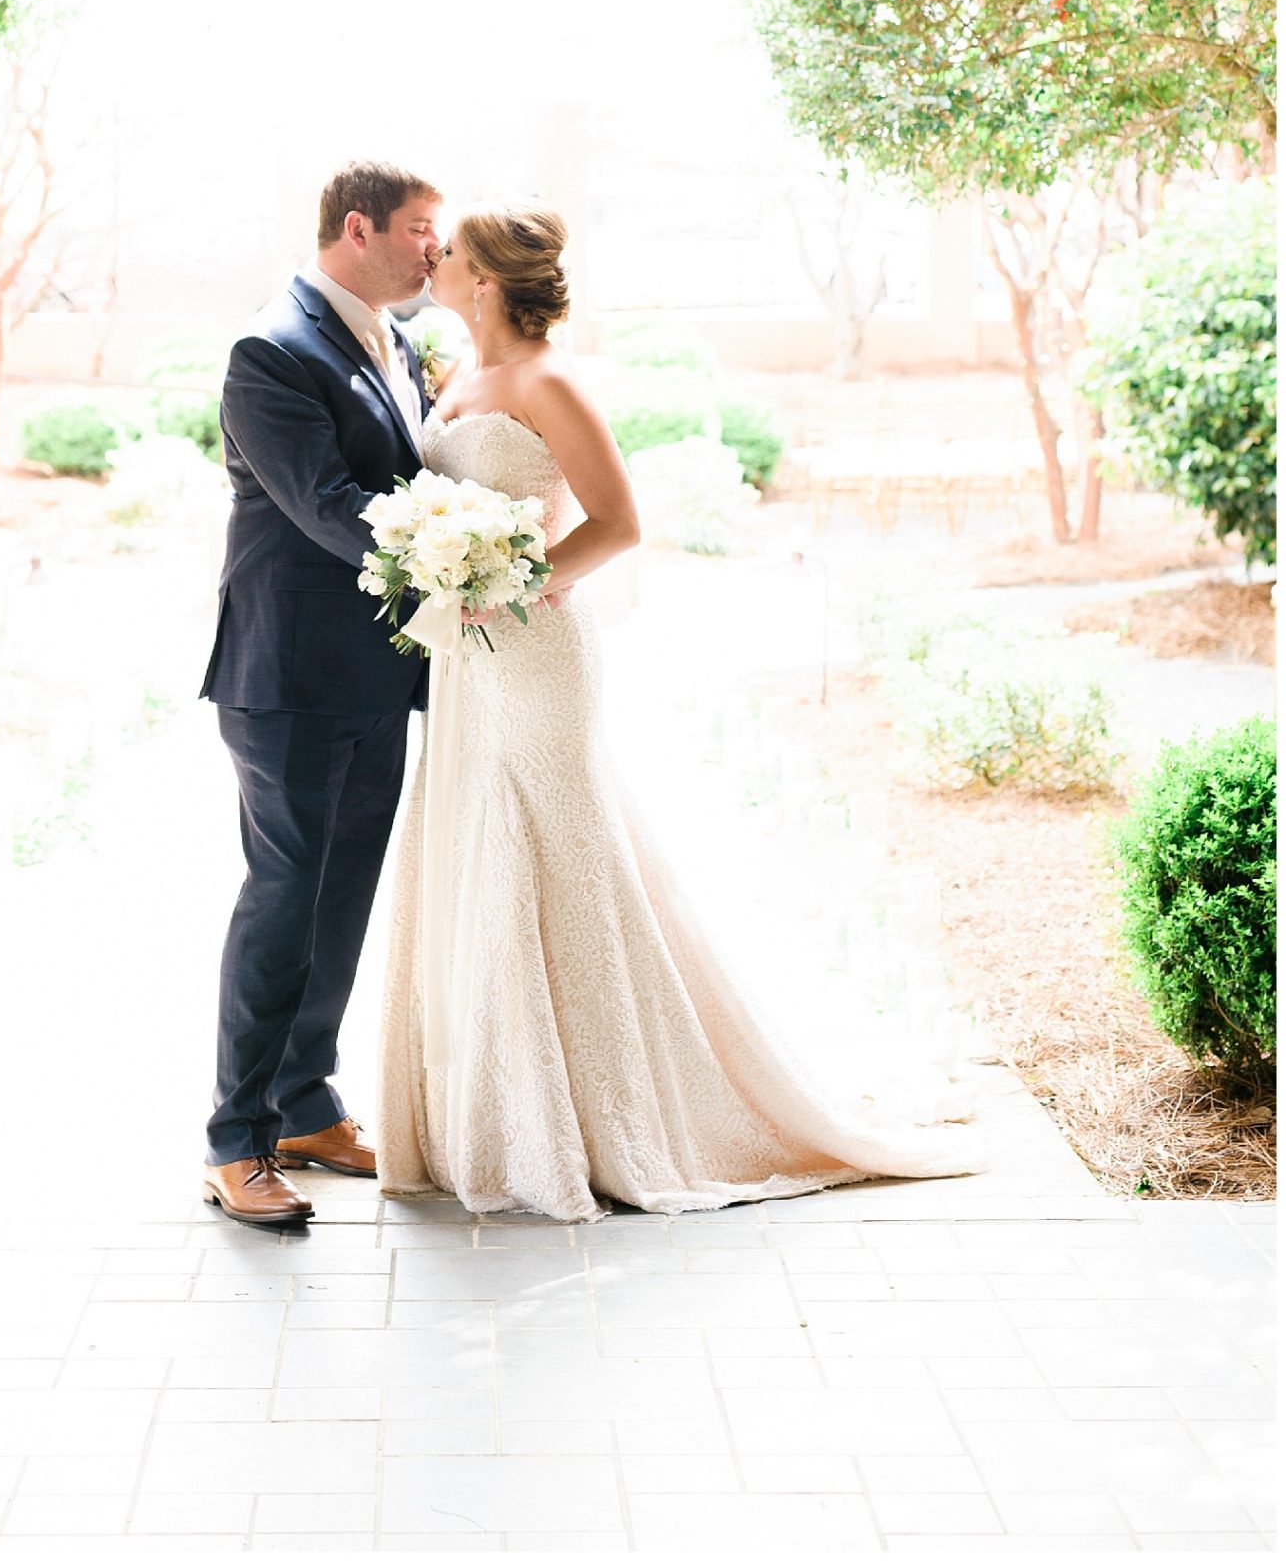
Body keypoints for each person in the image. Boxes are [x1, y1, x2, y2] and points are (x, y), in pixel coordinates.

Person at [377, 202, 984, 1220]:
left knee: (554, 858)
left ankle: (608, 1116)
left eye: (453, 254)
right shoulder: (453, 378)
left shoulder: (550, 381)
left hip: (535, 658)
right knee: (478, 858)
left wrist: (510, 581)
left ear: (485, 281)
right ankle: (498, 1112)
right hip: (465, 664)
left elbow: (619, 521)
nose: (433, 260)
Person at [199, 160, 444, 1227]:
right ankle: (235, 1141)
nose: (437, 248)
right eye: (422, 229)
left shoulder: (396, 341)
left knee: (343, 892)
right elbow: (332, 505)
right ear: (360, 228)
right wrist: (460, 562)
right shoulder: (271, 348)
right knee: (285, 895)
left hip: (376, 671)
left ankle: (305, 1101)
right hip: (286, 675)